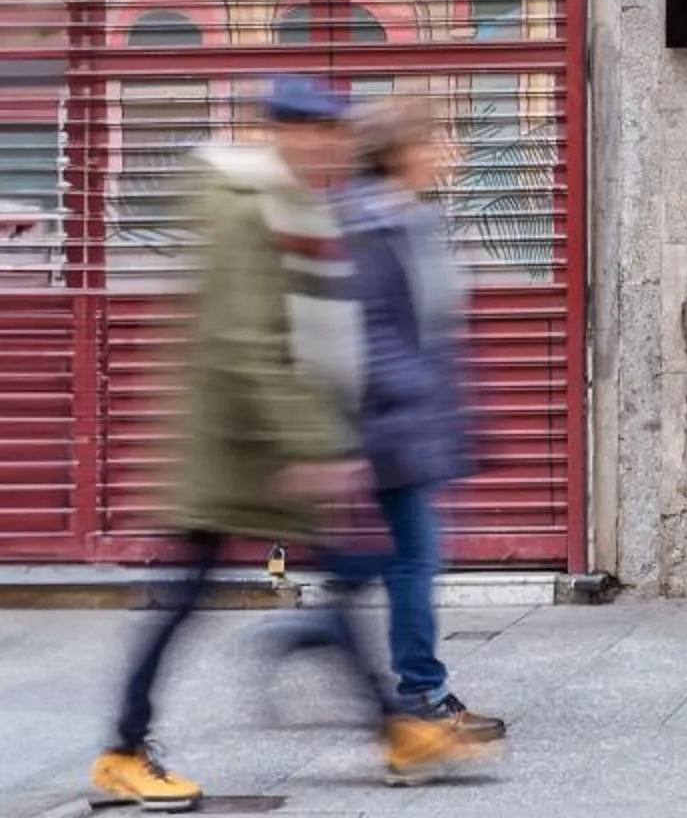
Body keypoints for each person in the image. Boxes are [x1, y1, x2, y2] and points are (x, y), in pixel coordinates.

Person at [87, 78, 490, 810]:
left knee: (340, 575)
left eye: (331, 133)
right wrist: (312, 446)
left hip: (264, 446)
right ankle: (123, 749)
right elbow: (247, 342)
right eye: (308, 131)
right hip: (237, 448)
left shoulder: (297, 204)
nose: (323, 145)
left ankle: (395, 725)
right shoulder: (251, 208)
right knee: (185, 600)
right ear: (279, 131)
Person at [336, 97, 506, 741]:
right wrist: (415, 401)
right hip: (389, 423)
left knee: (405, 554)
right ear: (401, 152)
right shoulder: (366, 223)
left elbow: (431, 327)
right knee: (414, 557)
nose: (448, 152)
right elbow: (373, 333)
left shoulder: (411, 219)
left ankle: (413, 680)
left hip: (412, 421)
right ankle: (420, 692)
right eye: (435, 141)